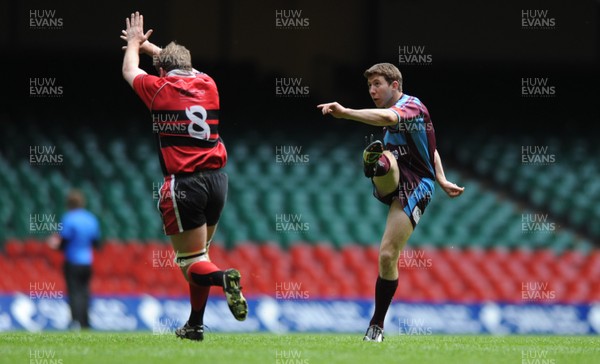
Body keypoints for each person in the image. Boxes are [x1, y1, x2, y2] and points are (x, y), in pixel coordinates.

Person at [121, 11, 247, 341]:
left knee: (191, 262)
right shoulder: (209, 84)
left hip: (185, 183)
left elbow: (129, 70)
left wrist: (134, 44)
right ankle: (195, 325)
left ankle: (224, 278)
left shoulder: (159, 89)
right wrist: (153, 50)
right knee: (200, 256)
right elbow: (181, 65)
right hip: (218, 180)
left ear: (162, 71)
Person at [318, 63, 464, 342]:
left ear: (395, 85)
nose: (372, 90)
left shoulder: (412, 107)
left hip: (418, 185)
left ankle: (377, 325)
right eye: (369, 85)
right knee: (388, 162)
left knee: (387, 255)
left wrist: (346, 113)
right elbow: (430, 148)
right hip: (396, 174)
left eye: (377, 84)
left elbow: (388, 118)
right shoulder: (397, 116)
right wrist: (444, 177)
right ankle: (377, 165)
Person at [48, 189, 101, 330]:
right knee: (85, 292)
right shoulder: (91, 219)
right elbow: (96, 243)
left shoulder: (69, 218)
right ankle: (85, 322)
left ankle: (75, 321)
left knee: (74, 292)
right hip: (87, 262)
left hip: (72, 261)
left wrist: (54, 244)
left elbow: (63, 242)